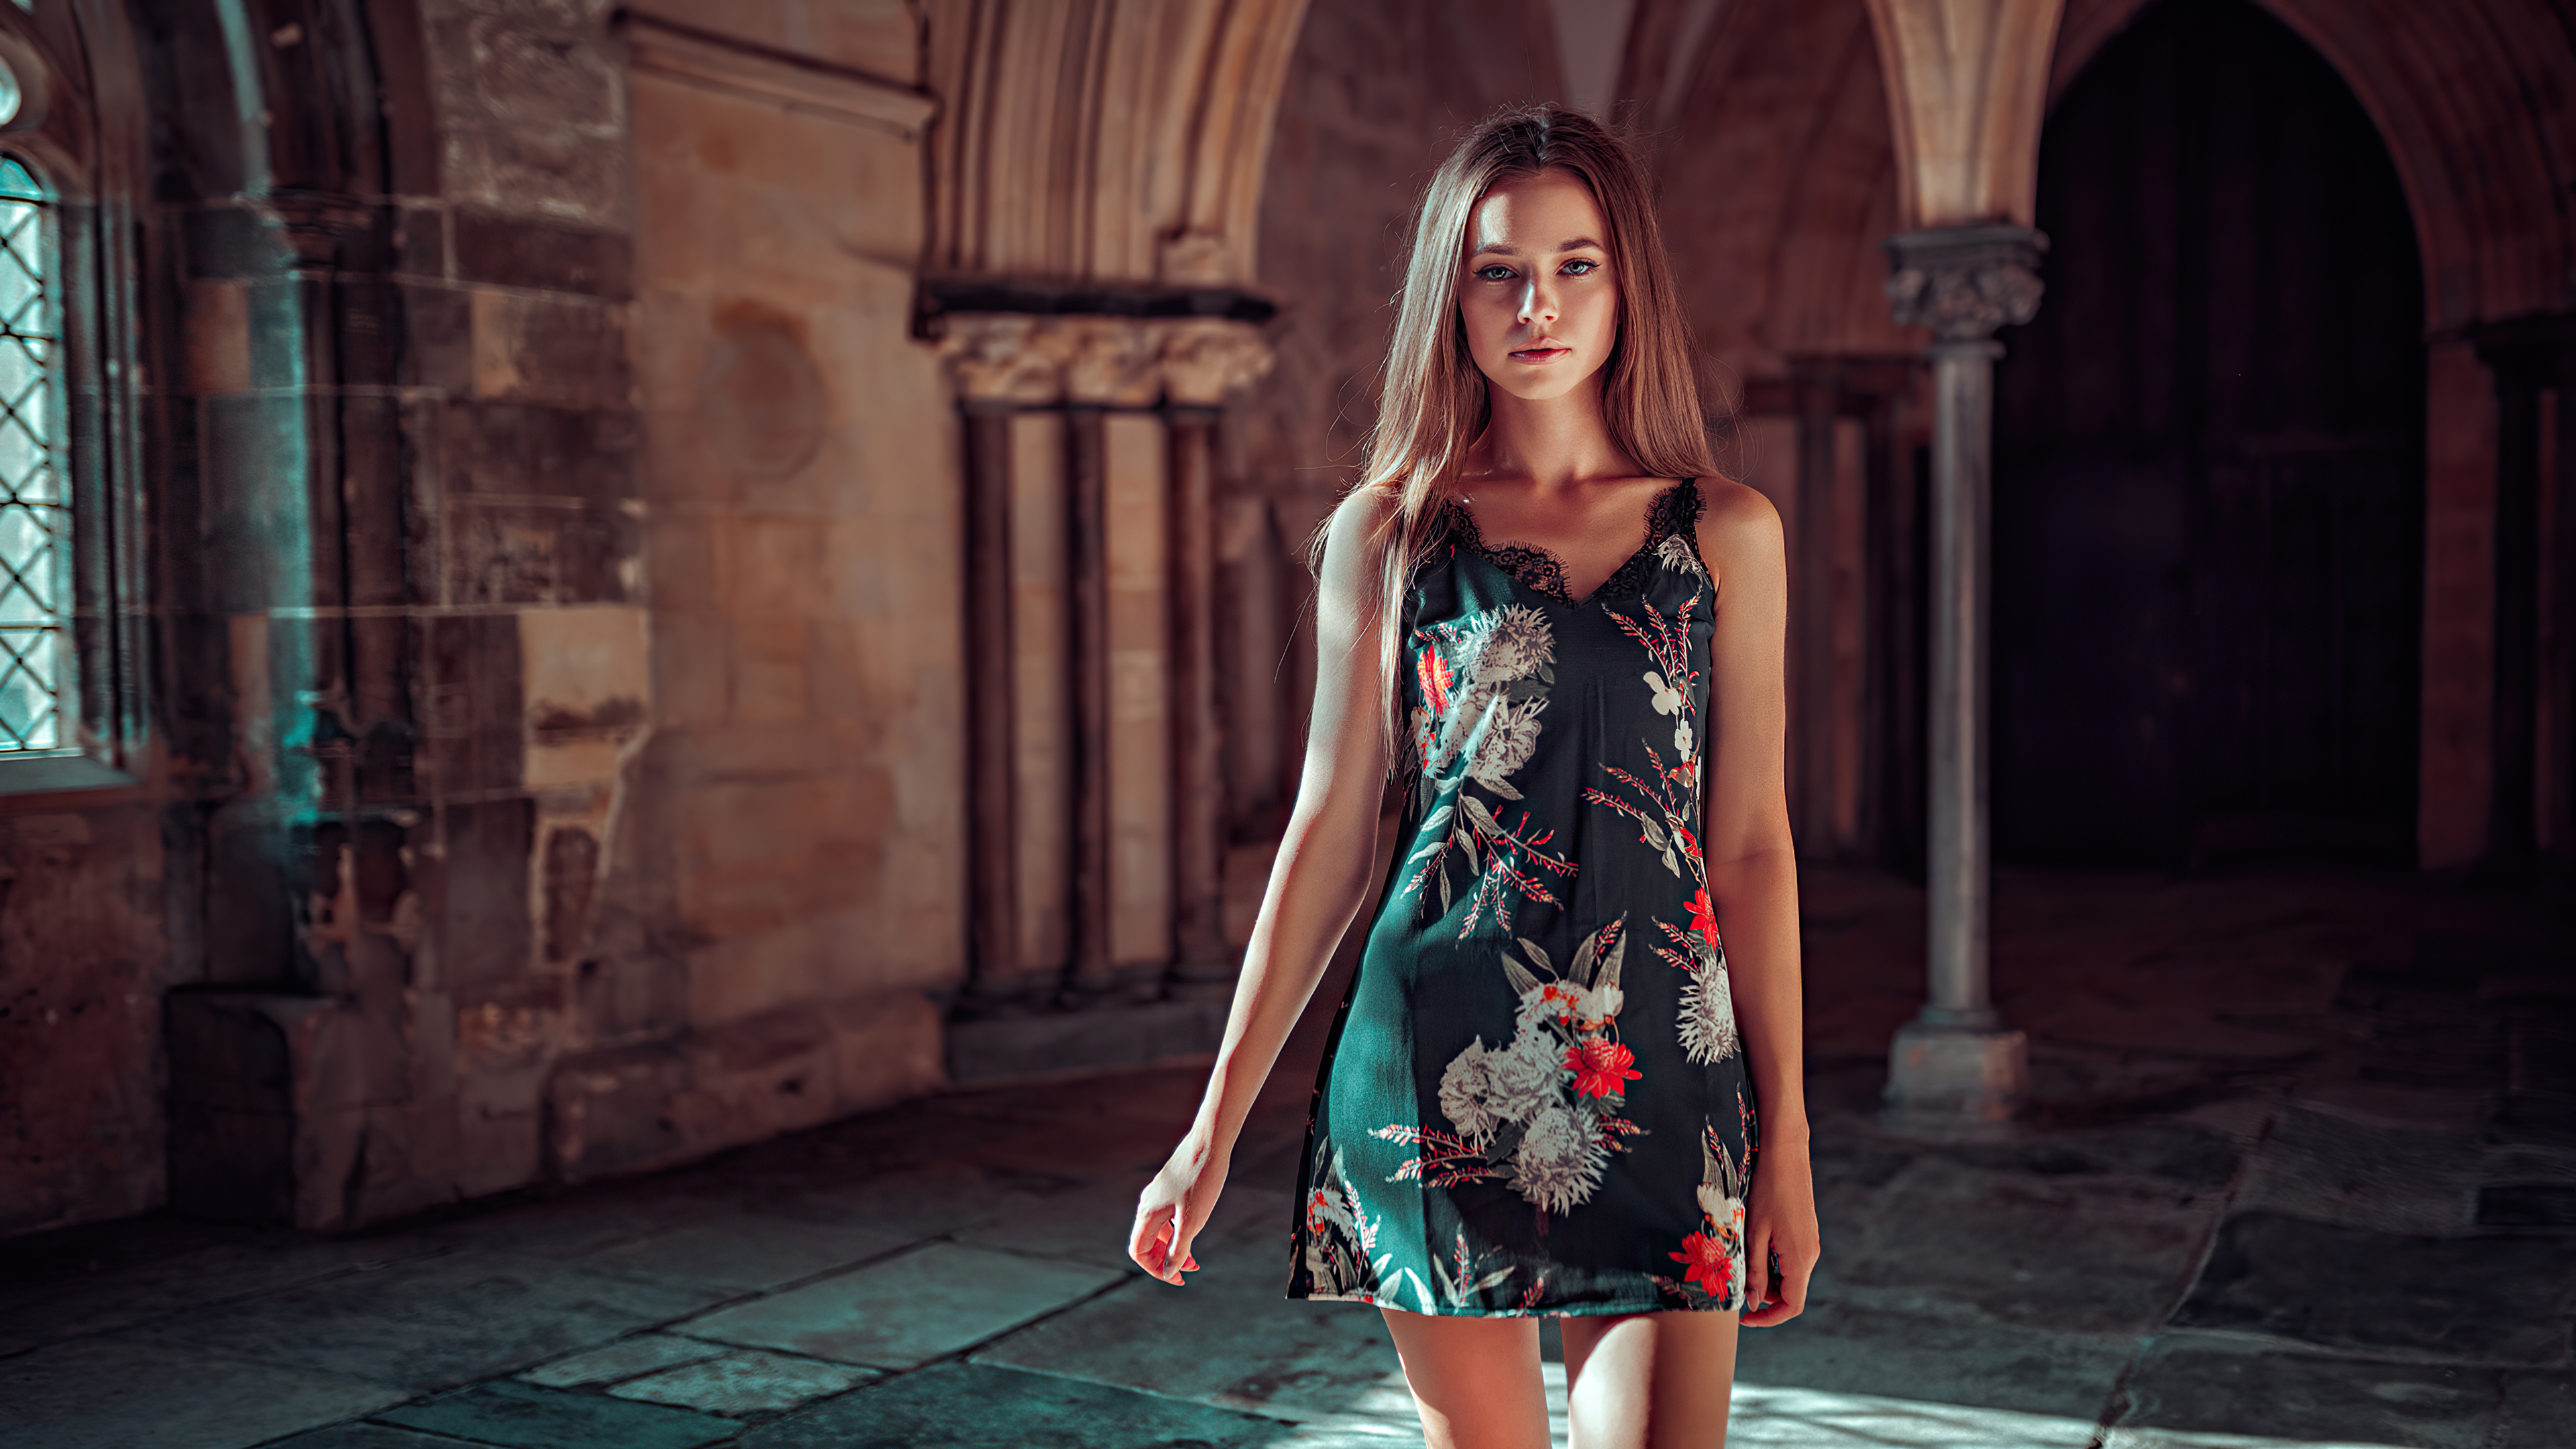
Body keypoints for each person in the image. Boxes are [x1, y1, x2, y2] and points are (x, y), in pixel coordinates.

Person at [1129, 105, 1819, 1449]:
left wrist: (1785, 1134)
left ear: (1629, 286)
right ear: (1454, 296)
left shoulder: (1728, 531)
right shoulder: (1388, 534)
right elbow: (1329, 831)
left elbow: (1747, 846)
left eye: (1576, 265)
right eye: (1498, 271)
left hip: (1661, 1070)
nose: (1538, 304)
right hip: (1434, 1068)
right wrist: (1211, 1132)